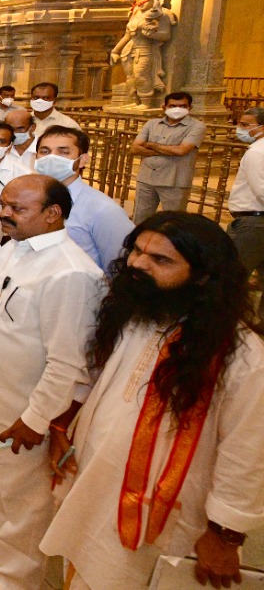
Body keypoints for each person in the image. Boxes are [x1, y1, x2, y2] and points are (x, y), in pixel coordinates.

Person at [41, 213, 264, 590]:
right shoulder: (139, 313)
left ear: (204, 276)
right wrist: (64, 425)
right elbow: (96, 380)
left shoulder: (241, 356)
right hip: (95, 479)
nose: (139, 265)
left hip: (166, 508)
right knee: (82, 568)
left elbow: (247, 450)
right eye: (138, 251)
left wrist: (226, 534)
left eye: (161, 260)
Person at [0, 175, 104, 590]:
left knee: (26, 498)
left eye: (17, 208)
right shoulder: (11, 248)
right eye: (4, 205)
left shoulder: (71, 274)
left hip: (21, 406)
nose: (4, 214)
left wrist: (36, 419)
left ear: (53, 214)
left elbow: (68, 362)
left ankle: (14, 579)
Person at [34, 126, 133, 271]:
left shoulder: (104, 211)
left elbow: (118, 268)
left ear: (82, 160)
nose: (52, 158)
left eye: (63, 152)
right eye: (45, 151)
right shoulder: (31, 199)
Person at [130, 91, 206, 222]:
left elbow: (181, 150)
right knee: (140, 219)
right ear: (164, 107)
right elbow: (135, 148)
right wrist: (169, 149)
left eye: (182, 106)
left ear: (190, 108)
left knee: (173, 222)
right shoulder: (152, 124)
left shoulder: (197, 126)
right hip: (146, 179)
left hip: (174, 181)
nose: (177, 109)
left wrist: (150, 144)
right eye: (172, 106)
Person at [229, 106, 264, 280]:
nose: (240, 128)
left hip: (253, 221)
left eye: (245, 124)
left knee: (232, 277)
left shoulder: (257, 152)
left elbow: (261, 190)